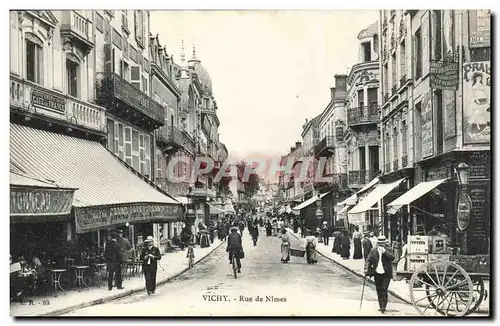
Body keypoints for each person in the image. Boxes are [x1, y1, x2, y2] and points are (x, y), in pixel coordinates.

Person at [364, 236, 394, 314]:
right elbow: (368, 259)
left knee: (384, 289)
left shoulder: (388, 249)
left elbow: (392, 258)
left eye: (383, 244)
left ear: (385, 243)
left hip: (386, 273)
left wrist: (385, 252)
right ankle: (381, 305)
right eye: (380, 244)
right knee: (379, 289)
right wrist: (366, 268)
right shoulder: (373, 250)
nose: (381, 245)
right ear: (378, 243)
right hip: (377, 272)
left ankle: (383, 306)